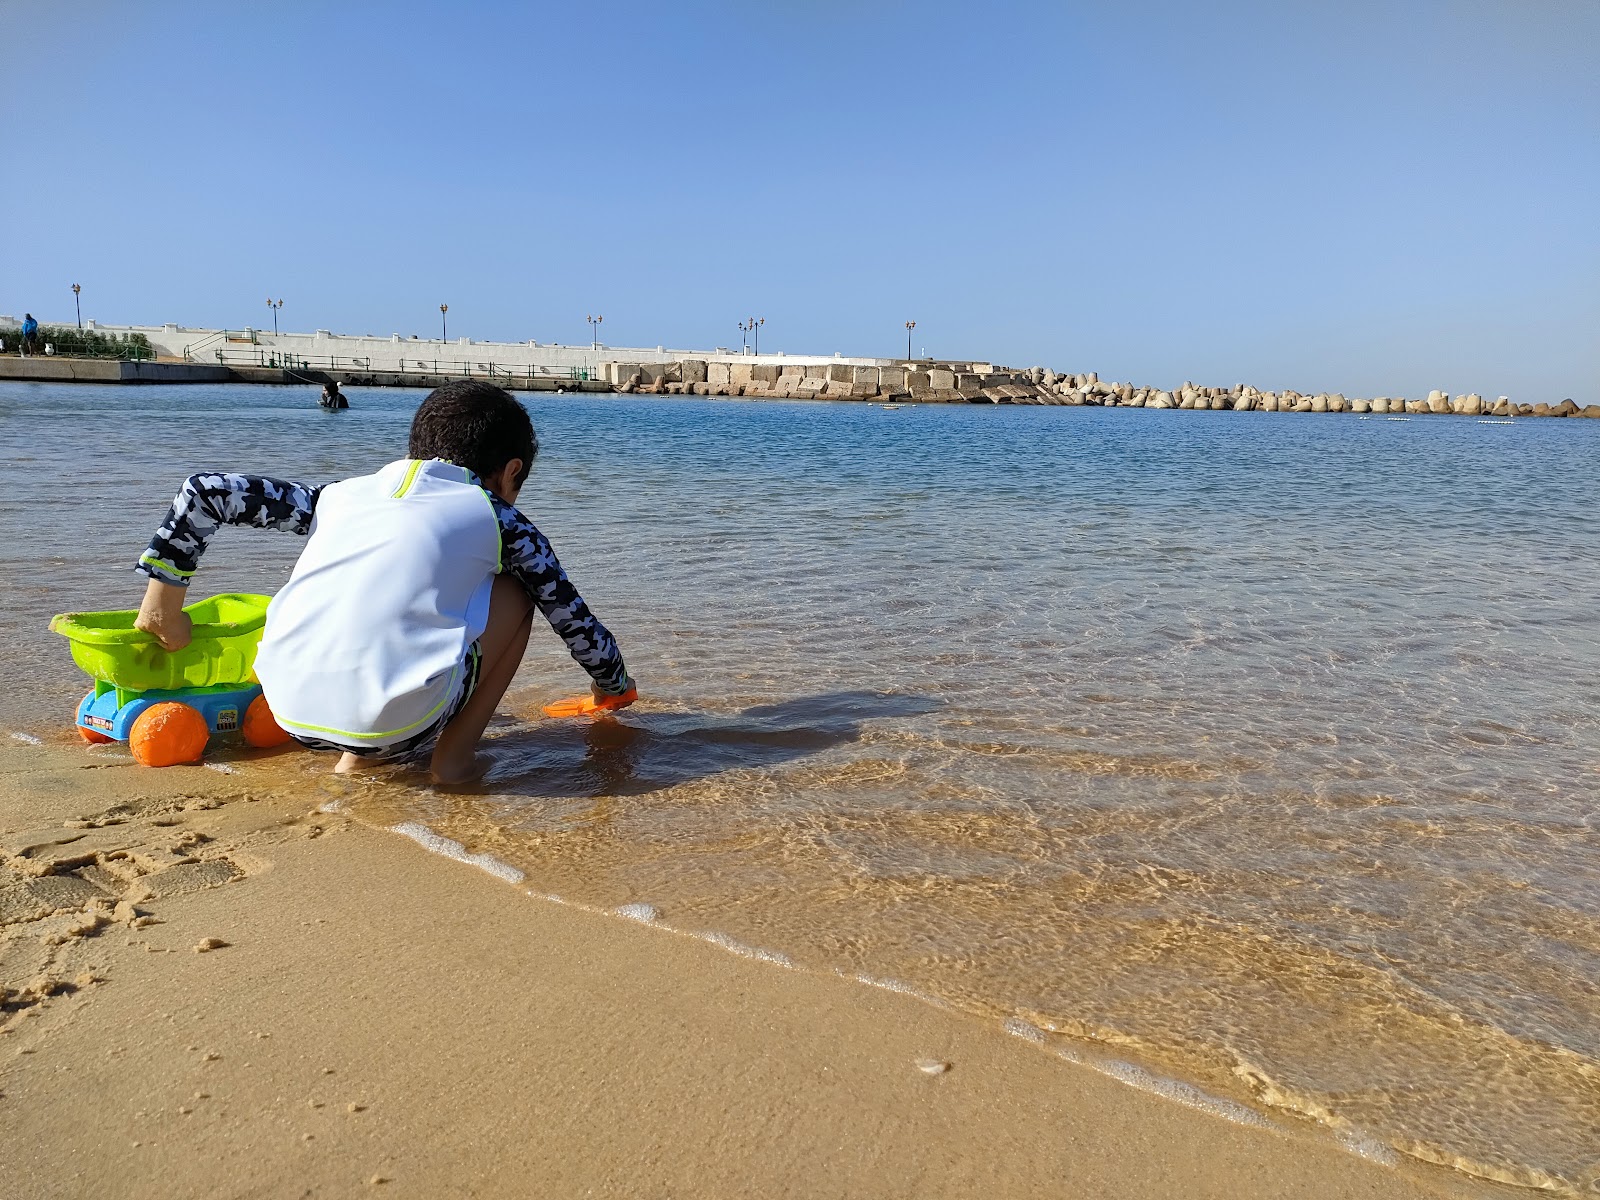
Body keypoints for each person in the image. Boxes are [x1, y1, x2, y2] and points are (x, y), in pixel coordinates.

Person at [131, 380, 636, 784]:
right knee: (520, 588)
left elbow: (206, 492)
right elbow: (573, 620)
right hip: (398, 725)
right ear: (511, 472)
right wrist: (612, 687)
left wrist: (163, 606)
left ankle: (359, 759)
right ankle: (453, 762)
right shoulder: (501, 518)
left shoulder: (339, 496)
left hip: (288, 710)